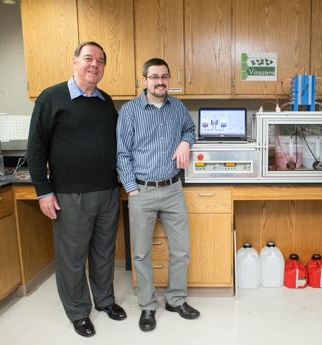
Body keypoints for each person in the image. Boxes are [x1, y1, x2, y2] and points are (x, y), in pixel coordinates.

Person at [27, 41, 127, 337]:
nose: (94, 64)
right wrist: (44, 191)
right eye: (88, 58)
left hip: (108, 191)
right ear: (74, 62)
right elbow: (36, 149)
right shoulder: (51, 98)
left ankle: (105, 300)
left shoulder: (105, 101)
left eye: (100, 60)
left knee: (103, 252)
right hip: (70, 195)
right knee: (72, 257)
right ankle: (78, 311)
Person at [117, 58, 200, 332]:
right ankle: (147, 307)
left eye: (164, 76)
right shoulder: (129, 111)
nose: (160, 81)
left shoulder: (177, 107)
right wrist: (131, 188)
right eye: (154, 77)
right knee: (141, 254)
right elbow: (122, 154)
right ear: (144, 79)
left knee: (181, 250)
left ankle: (175, 300)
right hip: (141, 190)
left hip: (173, 189)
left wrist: (187, 141)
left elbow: (190, 129)